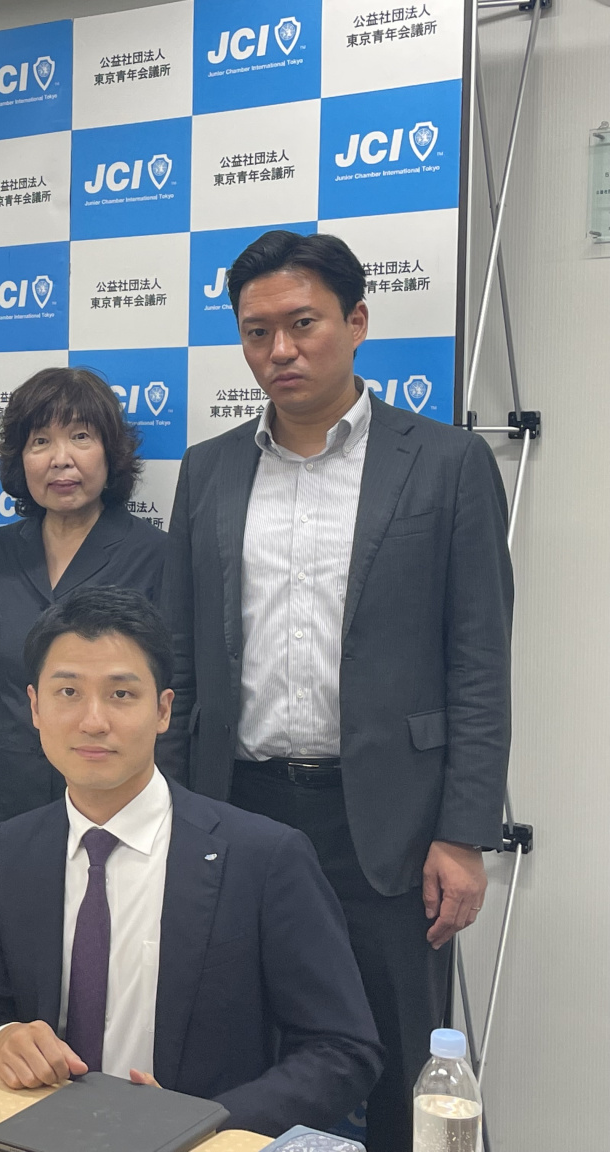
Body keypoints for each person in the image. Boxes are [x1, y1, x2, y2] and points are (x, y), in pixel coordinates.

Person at [159, 231, 512, 1152]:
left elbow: (479, 663)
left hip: (390, 824)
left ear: (356, 321)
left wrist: (463, 833)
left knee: (400, 1062)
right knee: (237, 1054)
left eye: (303, 323)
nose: (279, 350)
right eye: (257, 332)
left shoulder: (445, 463)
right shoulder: (209, 469)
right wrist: (175, 807)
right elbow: (181, 664)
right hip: (237, 809)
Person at [0, 587, 382, 1137]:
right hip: (36, 1134)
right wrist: (2, 1039)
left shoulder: (263, 857)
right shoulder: (13, 848)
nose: (93, 721)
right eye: (68, 692)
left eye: (121, 694)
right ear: (35, 707)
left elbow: (344, 1051)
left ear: (163, 710)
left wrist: (198, 1125)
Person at [0, 366, 166, 845]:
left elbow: (170, 695)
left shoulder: (155, 553)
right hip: (6, 794)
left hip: (115, 799)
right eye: (40, 441)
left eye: (80, 437)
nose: (61, 460)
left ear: (110, 452)